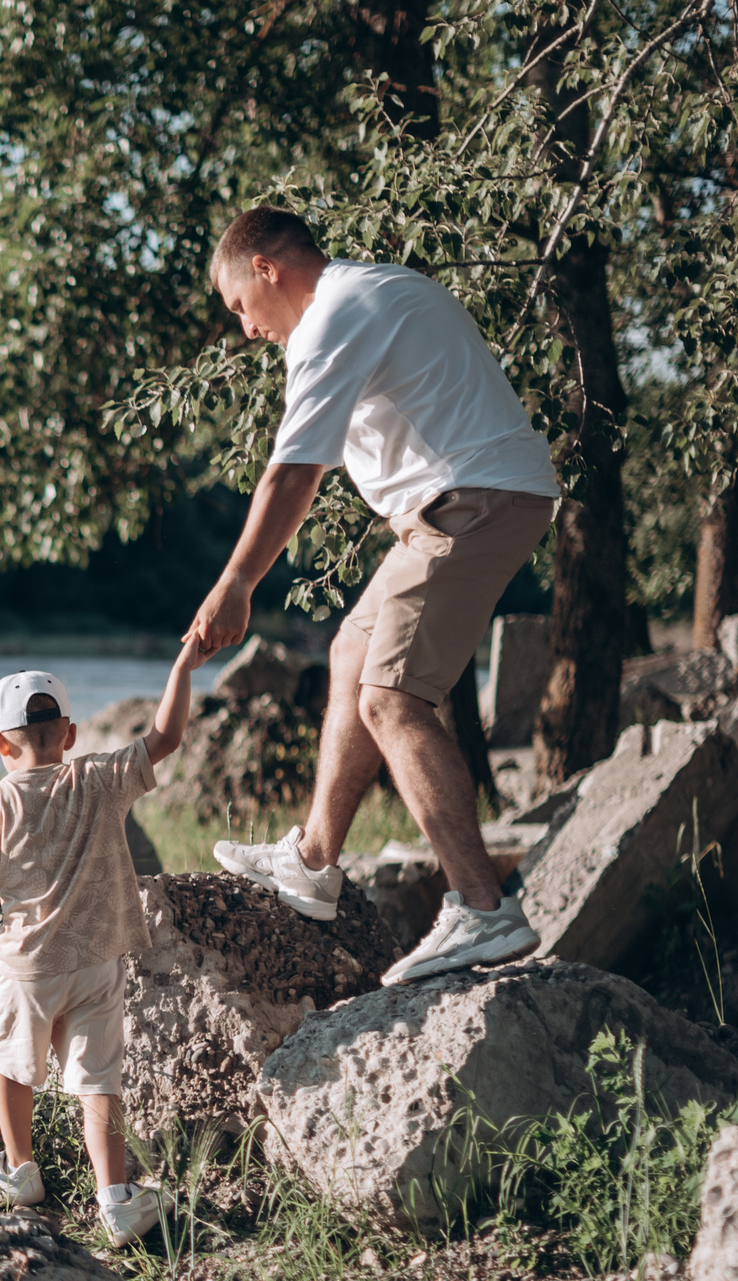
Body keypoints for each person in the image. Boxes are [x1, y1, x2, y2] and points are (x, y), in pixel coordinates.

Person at [188, 207, 562, 985]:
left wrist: (237, 582)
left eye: (238, 309)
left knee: (393, 698)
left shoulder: (335, 312)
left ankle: (481, 908)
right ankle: (314, 861)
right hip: (461, 501)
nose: (247, 331)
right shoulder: (371, 291)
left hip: (471, 499)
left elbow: (293, 473)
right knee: (353, 655)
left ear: (266, 269)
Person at [0, 642, 207, 1245]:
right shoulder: (100, 778)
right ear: (72, 733)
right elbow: (165, 737)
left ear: (1, 745)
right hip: (98, 961)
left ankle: (18, 1169)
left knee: (10, 1066)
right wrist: (182, 669)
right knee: (98, 1080)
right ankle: (115, 1199)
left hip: (28, 968)